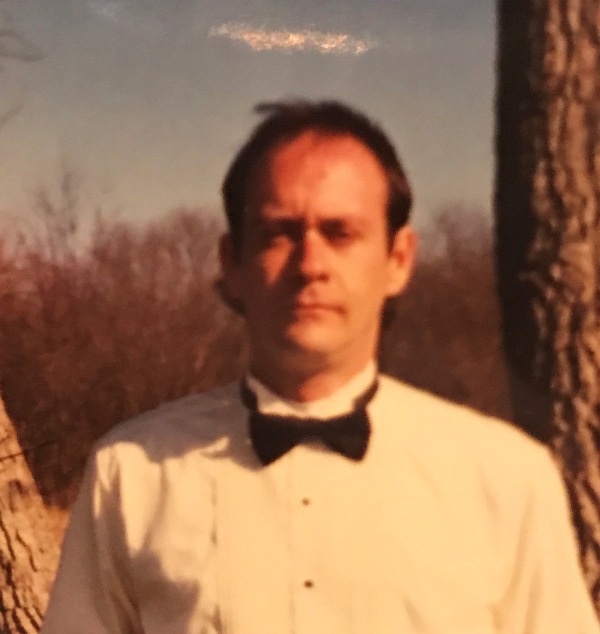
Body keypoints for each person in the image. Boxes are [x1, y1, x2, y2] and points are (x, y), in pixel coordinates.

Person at [42, 100, 600, 634]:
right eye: (278, 234)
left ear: (398, 259)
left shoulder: (507, 478)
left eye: (341, 233)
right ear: (232, 263)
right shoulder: (130, 474)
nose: (310, 265)